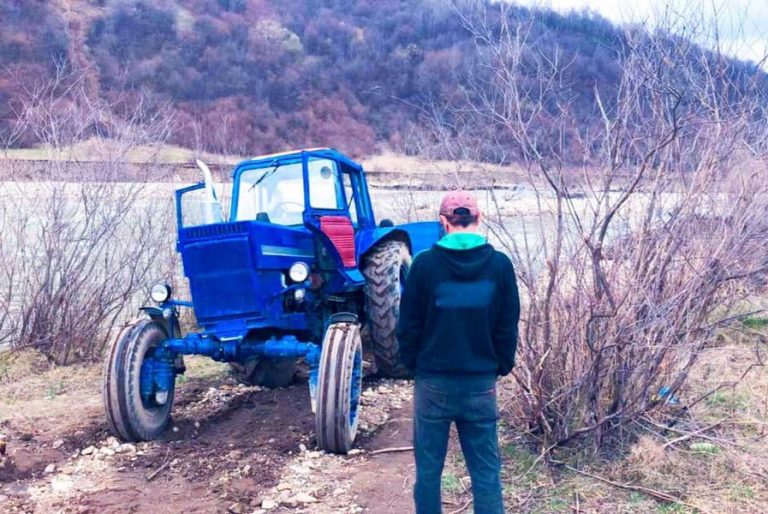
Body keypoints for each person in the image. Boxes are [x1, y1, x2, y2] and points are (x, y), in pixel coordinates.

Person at [397, 190, 520, 514]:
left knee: (428, 472)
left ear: (443, 222)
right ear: (479, 220)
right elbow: (507, 326)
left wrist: (415, 367)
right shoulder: (500, 265)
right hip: (480, 383)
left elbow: (407, 326)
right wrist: (499, 366)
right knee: (485, 472)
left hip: (432, 383)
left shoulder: (423, 265)